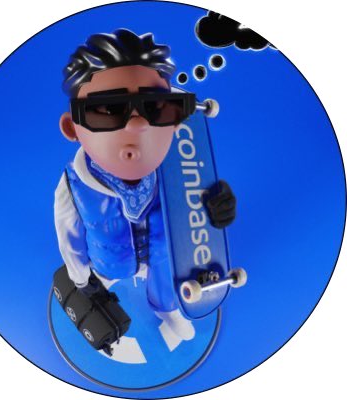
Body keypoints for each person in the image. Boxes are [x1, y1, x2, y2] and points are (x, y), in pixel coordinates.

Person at [54, 28, 236, 342]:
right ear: (73, 128)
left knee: (166, 283)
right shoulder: (73, 186)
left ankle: (166, 308)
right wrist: (80, 277)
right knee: (102, 276)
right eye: (109, 109)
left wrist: (216, 212)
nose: (137, 124)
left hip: (163, 259)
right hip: (108, 262)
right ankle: (102, 281)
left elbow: (195, 212)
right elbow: (68, 235)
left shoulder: (180, 171)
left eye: (155, 107)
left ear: (176, 121)